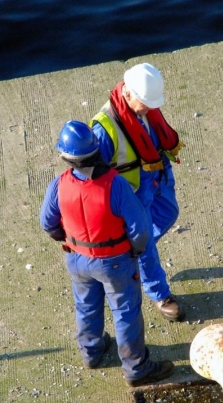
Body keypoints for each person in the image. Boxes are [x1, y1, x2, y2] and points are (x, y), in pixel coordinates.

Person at [40, 120, 175, 387]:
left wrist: (68, 239)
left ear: (66, 157)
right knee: (125, 312)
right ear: (96, 150)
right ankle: (136, 368)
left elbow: (47, 223)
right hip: (114, 262)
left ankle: (91, 352)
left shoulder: (59, 185)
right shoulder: (116, 185)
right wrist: (134, 252)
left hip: (77, 258)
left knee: (86, 306)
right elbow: (140, 230)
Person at [89, 63, 186, 322]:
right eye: (144, 101)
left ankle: (135, 249)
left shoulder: (144, 108)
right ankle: (159, 293)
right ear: (128, 94)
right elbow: (97, 175)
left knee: (168, 214)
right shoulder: (104, 128)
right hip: (133, 190)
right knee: (145, 246)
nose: (149, 107)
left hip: (157, 176)